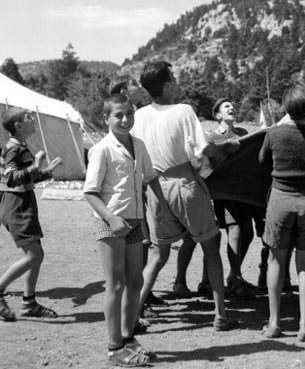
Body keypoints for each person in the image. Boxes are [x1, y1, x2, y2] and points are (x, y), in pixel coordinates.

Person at [132, 61, 237, 331]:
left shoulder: (140, 115)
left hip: (154, 187)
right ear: (166, 84)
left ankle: (133, 315)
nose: (177, 82)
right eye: (174, 78)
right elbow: (203, 153)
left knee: (157, 254)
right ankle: (221, 315)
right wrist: (228, 148)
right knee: (211, 247)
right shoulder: (183, 111)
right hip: (183, 183)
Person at [84, 93, 171, 366]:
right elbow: (90, 192)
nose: (125, 120)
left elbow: (151, 177)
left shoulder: (139, 145)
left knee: (136, 282)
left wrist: (163, 207)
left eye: (129, 114)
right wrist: (111, 218)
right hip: (110, 223)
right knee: (116, 283)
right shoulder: (102, 149)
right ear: (106, 119)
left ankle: (128, 337)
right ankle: (114, 348)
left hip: (135, 221)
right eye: (118, 115)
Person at [258, 84, 305, 341]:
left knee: (275, 261)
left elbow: (262, 161)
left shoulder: (274, 133)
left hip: (280, 200)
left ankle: (274, 323)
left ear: (285, 108)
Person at [0, 108, 61, 322]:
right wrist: (35, 166)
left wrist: (44, 172)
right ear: (18, 125)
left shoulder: (20, 146)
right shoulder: (12, 149)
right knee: (34, 255)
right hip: (17, 207)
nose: (32, 119)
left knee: (36, 255)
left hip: (24, 204)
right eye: (28, 117)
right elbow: (10, 178)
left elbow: (25, 179)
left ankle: (29, 303)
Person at [199, 98, 258, 298]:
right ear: (217, 115)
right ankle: (235, 278)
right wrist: (224, 145)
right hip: (224, 193)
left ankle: (233, 275)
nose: (232, 107)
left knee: (248, 233)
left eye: (233, 105)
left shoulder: (243, 134)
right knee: (235, 231)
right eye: (226, 106)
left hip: (242, 191)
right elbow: (207, 156)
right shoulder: (211, 136)